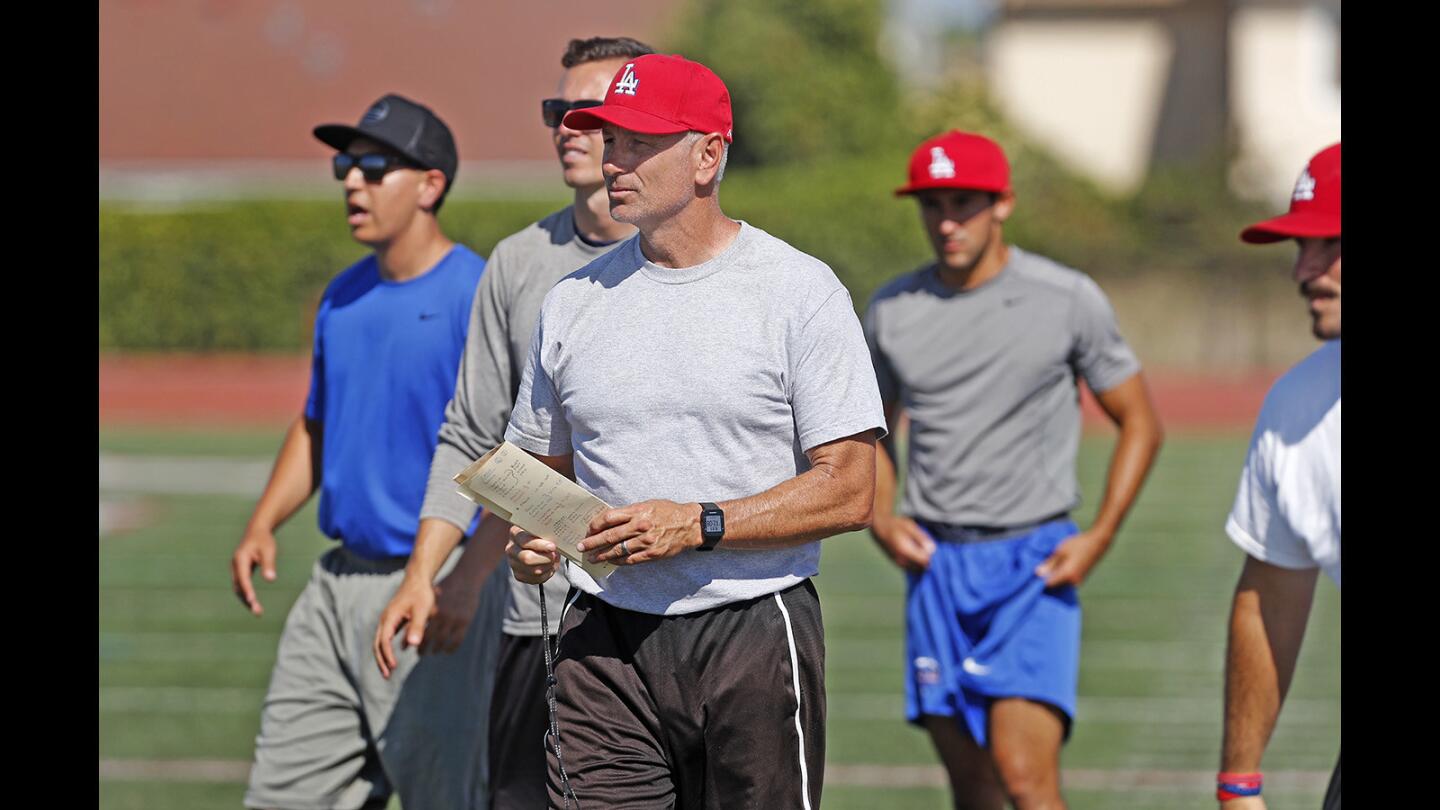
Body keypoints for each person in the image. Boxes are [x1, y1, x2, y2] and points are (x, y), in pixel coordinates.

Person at [502, 53, 885, 809]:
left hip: (752, 628)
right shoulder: (573, 301)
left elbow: (852, 489)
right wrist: (533, 538)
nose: (615, 160)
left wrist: (698, 524)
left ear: (709, 154)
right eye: (610, 140)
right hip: (598, 637)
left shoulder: (799, 291)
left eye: (640, 142)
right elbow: (536, 478)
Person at [371, 35, 656, 810]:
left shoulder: (693, 261)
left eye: (585, 111)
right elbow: (474, 435)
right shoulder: (517, 261)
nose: (565, 124)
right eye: (555, 110)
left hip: (671, 610)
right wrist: (431, 575)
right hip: (541, 617)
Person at [864, 130, 1164, 810]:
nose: (945, 222)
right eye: (931, 204)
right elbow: (872, 433)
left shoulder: (1066, 297)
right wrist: (882, 518)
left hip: (1032, 565)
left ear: (1003, 204)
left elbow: (1141, 421)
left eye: (963, 203)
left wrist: (1100, 536)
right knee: (973, 793)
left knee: (1026, 780)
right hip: (936, 567)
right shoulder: (890, 310)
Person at [230, 93, 503, 810]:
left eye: (374, 165)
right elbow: (316, 423)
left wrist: (467, 579)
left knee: (447, 798)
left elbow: (510, 458)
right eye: (345, 164)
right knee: (282, 796)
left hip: (431, 588)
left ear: (431, 185)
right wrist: (263, 523)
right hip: (334, 584)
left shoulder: (476, 297)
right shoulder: (343, 295)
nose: (352, 180)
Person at [1217, 143, 1341, 810]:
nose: (1305, 270)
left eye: (1332, 245)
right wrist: (1239, 783)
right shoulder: (1296, 407)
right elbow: (1270, 589)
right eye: (1302, 247)